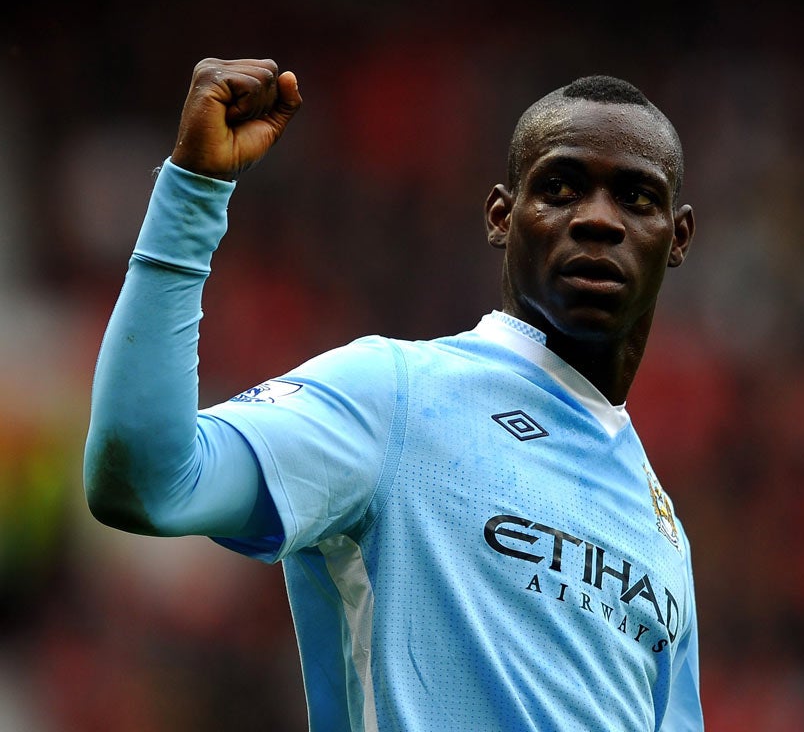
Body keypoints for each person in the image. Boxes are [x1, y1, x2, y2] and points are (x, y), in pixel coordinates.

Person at [84, 57, 702, 731]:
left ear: (677, 238)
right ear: (501, 216)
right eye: (560, 187)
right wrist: (193, 195)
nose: (598, 221)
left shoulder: (661, 530)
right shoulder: (397, 396)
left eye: (636, 198)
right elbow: (146, 481)